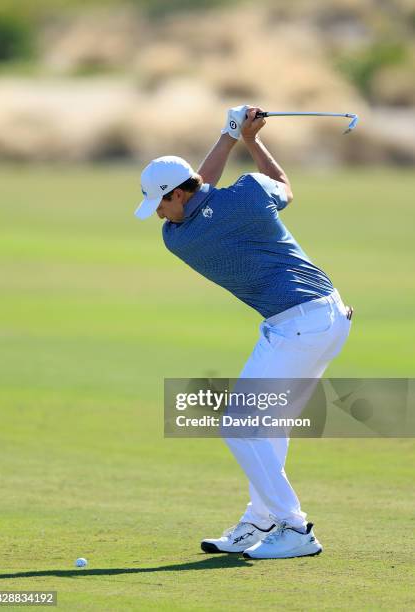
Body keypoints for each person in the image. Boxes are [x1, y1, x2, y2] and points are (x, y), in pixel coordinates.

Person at [134, 106, 352, 559]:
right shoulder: (249, 194)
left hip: (298, 325)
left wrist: (230, 136)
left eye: (158, 202)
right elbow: (281, 189)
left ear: (174, 196)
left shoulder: (179, 238)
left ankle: (294, 528)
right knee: (266, 424)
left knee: (238, 426)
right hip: (327, 316)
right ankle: (260, 519)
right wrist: (248, 139)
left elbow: (203, 192)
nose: (156, 213)